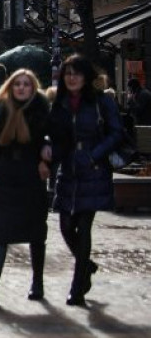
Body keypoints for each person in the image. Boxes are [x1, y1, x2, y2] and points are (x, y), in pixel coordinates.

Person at [45, 54, 123, 306]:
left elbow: (116, 133)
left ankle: (77, 288)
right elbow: (52, 132)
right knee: (66, 225)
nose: (72, 78)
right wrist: (48, 150)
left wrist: (94, 155)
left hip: (93, 169)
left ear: (86, 76)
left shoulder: (101, 102)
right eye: (68, 73)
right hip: (68, 170)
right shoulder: (60, 102)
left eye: (76, 73)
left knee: (85, 225)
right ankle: (86, 264)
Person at [0, 69, 51, 304]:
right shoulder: (2, 109)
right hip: (6, 178)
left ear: (33, 87)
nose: (21, 88)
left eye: (26, 84)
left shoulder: (40, 110)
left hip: (31, 179)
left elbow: (50, 138)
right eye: (17, 84)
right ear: (10, 86)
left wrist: (46, 157)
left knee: (36, 233)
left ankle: (37, 284)